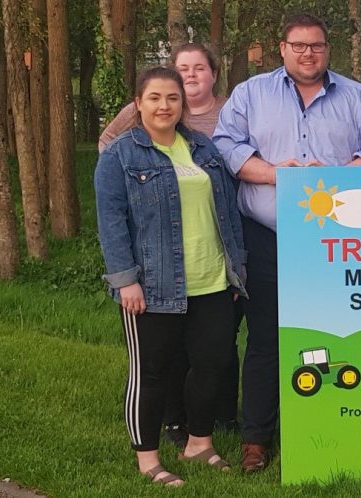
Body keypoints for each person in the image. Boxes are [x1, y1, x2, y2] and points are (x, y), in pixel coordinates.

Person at [212, 13, 361, 473]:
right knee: (266, 339)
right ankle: (257, 440)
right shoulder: (250, 95)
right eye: (298, 45)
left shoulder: (359, 97)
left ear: (327, 49)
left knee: (340, 333)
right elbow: (226, 146)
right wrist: (277, 175)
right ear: (282, 48)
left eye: (316, 46)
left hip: (340, 243)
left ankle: (337, 428)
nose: (307, 53)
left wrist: (334, 179)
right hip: (267, 235)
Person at [95, 66, 247, 486]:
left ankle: (199, 443)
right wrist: (125, 279)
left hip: (213, 281)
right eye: (155, 97)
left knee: (213, 363)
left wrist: (237, 269)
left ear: (183, 104)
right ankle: (149, 460)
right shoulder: (120, 156)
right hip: (153, 285)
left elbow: (229, 211)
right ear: (138, 103)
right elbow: (111, 222)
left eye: (173, 98)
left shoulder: (203, 148)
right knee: (152, 373)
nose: (165, 106)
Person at [99, 43, 227, 151]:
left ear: (214, 75)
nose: (191, 74)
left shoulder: (232, 110)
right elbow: (107, 139)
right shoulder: (146, 107)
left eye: (199, 69)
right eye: (183, 69)